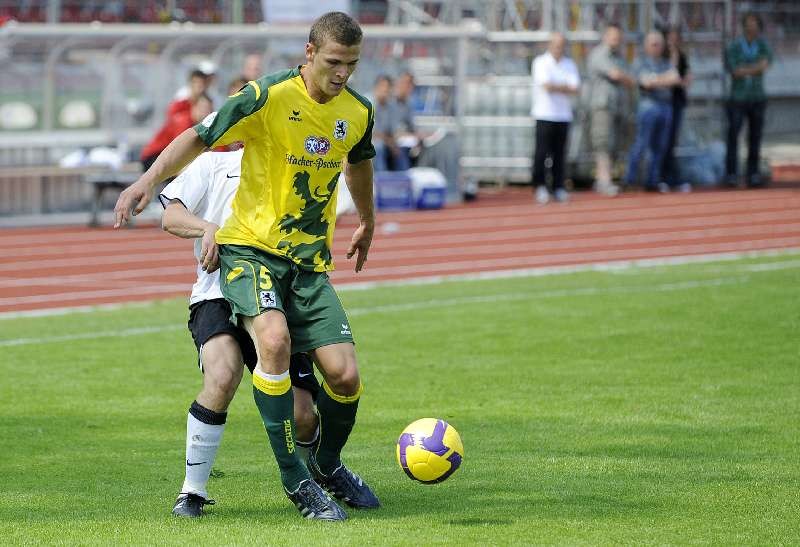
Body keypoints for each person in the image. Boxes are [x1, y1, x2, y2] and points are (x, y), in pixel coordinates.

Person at [114, 11, 378, 522]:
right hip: (248, 254)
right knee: (259, 350)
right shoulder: (267, 97)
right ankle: (289, 480)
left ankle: (324, 465)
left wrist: (366, 220)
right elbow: (198, 135)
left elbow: (359, 164)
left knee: (344, 377)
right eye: (332, 62)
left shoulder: (358, 112)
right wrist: (148, 181)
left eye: (351, 63)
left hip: (306, 264)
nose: (342, 73)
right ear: (309, 53)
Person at [159, 149, 322, 518]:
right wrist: (207, 228)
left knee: (303, 415)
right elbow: (170, 215)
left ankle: (317, 471)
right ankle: (192, 491)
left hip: (269, 295)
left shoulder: (287, 161)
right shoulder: (212, 164)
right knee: (222, 374)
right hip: (215, 294)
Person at [623, 31, 681, 192]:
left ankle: (652, 180)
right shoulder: (640, 62)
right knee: (641, 143)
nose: (657, 47)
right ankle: (630, 179)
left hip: (665, 106)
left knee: (660, 146)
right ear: (646, 46)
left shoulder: (665, 62)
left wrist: (656, 79)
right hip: (648, 105)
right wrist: (663, 79)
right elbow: (645, 82)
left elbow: (675, 78)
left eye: (659, 44)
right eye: (653, 44)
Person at [586, 24, 637, 196]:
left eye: (618, 37)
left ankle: (603, 179)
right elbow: (616, 75)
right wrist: (627, 78)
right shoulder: (600, 54)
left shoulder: (619, 57)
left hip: (618, 107)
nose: (616, 40)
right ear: (605, 36)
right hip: (603, 106)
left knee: (614, 145)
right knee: (603, 143)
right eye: (613, 36)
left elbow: (629, 78)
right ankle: (604, 180)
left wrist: (627, 78)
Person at [530, 32, 580, 204]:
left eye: (561, 45)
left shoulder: (569, 64)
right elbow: (546, 86)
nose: (559, 48)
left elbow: (575, 88)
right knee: (541, 153)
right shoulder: (540, 62)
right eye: (556, 44)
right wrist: (564, 86)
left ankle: (558, 186)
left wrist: (557, 86)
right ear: (549, 45)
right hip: (544, 114)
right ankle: (540, 186)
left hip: (563, 115)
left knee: (560, 153)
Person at [724, 12, 772, 188]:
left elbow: (766, 65)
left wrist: (747, 69)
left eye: (755, 24)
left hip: (757, 97)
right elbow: (735, 71)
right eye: (749, 23)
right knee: (733, 136)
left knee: (755, 137)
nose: (752, 27)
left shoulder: (763, 45)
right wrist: (755, 68)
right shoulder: (735, 46)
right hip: (738, 98)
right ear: (743, 26)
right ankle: (731, 174)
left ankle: (753, 174)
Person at [140, 93, 213, 172]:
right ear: (194, 107)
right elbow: (179, 150)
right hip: (153, 157)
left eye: (209, 109)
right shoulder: (184, 121)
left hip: (166, 156)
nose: (206, 112)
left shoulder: (199, 125)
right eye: (203, 108)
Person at [661, 26, 692, 192]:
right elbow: (667, 79)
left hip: (677, 102)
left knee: (672, 141)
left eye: (676, 38)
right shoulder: (662, 56)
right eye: (670, 38)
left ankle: (671, 177)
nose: (673, 41)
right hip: (663, 103)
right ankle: (661, 177)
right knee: (663, 142)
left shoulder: (682, 56)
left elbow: (685, 79)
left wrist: (676, 80)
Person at [371, 74, 410, 171]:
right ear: (376, 88)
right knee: (378, 147)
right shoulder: (368, 103)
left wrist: (394, 142)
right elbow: (371, 133)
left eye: (388, 88)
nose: (385, 91)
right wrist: (390, 142)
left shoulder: (391, 106)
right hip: (367, 142)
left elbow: (393, 130)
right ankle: (382, 179)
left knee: (401, 148)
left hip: (386, 141)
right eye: (382, 87)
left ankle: (404, 179)